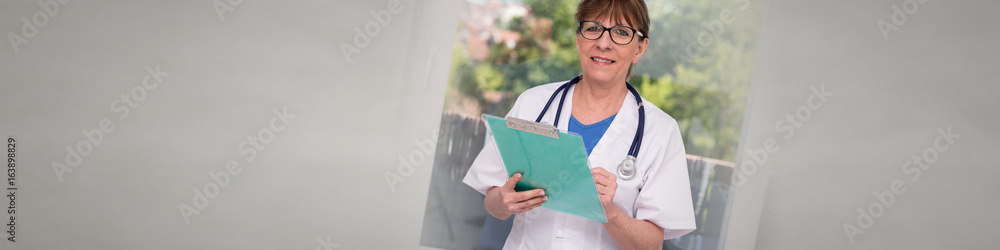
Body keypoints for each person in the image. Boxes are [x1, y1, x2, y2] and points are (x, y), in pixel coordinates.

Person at [463, 0, 696, 249]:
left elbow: (651, 244)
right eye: (593, 28)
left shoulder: (660, 130)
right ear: (578, 38)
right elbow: (493, 202)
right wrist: (503, 202)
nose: (603, 43)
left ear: (639, 48)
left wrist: (610, 212)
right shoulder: (534, 103)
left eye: (621, 33)